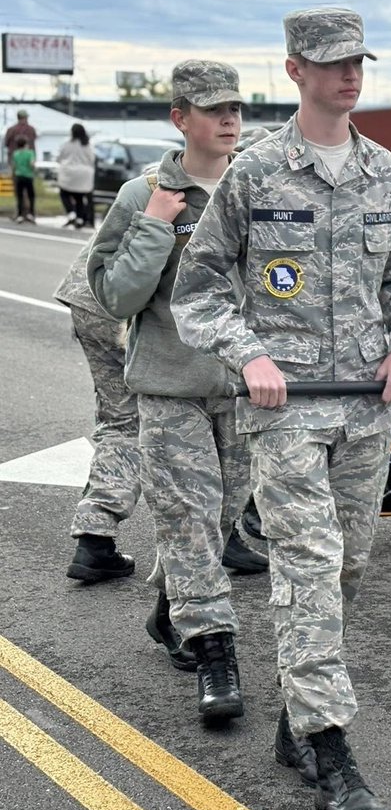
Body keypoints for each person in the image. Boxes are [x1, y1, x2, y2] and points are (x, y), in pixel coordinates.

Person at [172, 6, 391, 810]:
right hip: (284, 411)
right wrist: (248, 354)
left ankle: (298, 706)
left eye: (358, 60)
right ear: (295, 70)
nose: (349, 74)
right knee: (309, 566)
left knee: (349, 565)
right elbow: (198, 291)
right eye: (332, 62)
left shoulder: (388, 174)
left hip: (365, 411)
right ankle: (330, 750)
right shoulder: (255, 172)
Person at [88, 60, 265, 704]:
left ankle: (171, 608)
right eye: (213, 109)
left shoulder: (258, 189)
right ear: (179, 118)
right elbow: (115, 296)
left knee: (219, 518)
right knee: (189, 519)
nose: (228, 120)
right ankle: (216, 652)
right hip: (170, 387)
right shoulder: (144, 195)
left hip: (243, 390)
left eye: (234, 109)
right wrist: (156, 227)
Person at [58, 241, 143, 590]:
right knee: (210, 411)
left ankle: (94, 539)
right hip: (131, 301)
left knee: (121, 419)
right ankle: (222, 534)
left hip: (90, 292)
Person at [57, 123, 96, 228]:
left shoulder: (67, 143)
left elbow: (59, 157)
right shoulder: (87, 145)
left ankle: (71, 213)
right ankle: (79, 219)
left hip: (69, 173)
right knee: (79, 197)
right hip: (84, 174)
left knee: (64, 193)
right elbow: (92, 159)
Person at [11, 136, 36, 223]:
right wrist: (34, 170)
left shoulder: (15, 154)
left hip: (19, 176)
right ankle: (31, 214)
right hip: (28, 176)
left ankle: (20, 215)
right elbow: (31, 164)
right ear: (25, 144)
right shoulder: (30, 153)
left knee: (20, 196)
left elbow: (14, 166)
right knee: (31, 196)